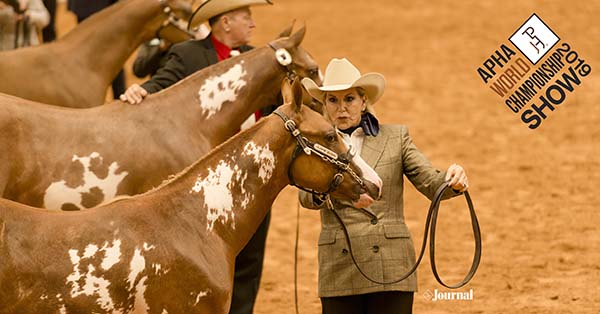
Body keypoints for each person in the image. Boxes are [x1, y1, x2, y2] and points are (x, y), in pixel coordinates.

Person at [121, 1, 274, 313]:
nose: (253, 25)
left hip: (251, 178)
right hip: (203, 178)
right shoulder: (189, 54)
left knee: (249, 258)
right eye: (247, 18)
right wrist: (140, 92)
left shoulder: (258, 59)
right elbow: (161, 88)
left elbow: (276, 107)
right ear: (227, 22)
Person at [299, 58, 470, 314]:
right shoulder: (316, 145)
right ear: (324, 105)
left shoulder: (396, 137)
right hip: (339, 264)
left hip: (390, 262)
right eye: (333, 100)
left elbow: (430, 183)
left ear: (364, 101)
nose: (342, 108)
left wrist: (453, 180)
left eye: (349, 99)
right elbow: (306, 197)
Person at [67, 0, 125, 99]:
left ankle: (119, 96)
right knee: (110, 54)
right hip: (98, 9)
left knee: (109, 54)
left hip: (98, 9)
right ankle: (118, 96)